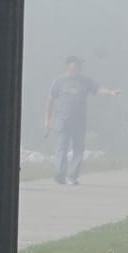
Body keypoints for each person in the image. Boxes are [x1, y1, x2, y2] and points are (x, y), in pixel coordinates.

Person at [45, 57, 108, 187]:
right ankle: (60, 175)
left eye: (79, 66)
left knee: (78, 149)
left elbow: (98, 89)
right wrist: (47, 119)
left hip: (79, 121)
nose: (78, 68)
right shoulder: (59, 81)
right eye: (75, 66)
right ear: (68, 67)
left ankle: (72, 176)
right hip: (63, 120)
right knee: (62, 148)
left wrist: (110, 92)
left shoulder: (85, 81)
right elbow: (50, 100)